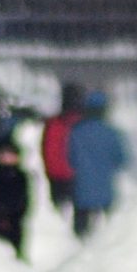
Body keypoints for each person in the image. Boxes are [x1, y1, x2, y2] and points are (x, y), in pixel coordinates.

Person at [66, 89, 130, 238]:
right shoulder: (112, 133)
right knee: (110, 232)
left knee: (82, 232)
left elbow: (70, 159)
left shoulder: (76, 132)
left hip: (81, 190)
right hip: (106, 190)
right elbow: (121, 160)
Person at [0, 141, 32, 260]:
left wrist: (15, 214)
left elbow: (24, 200)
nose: (7, 158)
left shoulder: (21, 176)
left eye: (11, 155)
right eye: (3, 155)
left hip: (14, 220)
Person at [41, 81, 85, 213]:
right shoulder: (84, 123)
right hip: (77, 176)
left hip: (56, 175)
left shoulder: (53, 123)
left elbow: (45, 149)